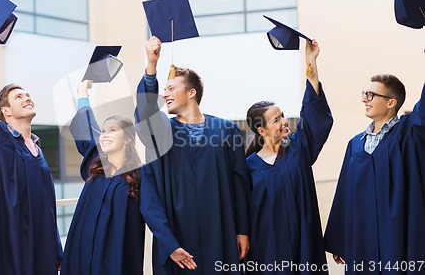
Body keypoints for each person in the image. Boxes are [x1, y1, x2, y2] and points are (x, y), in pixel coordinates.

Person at [135, 36, 250, 274]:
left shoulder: (227, 130)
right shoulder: (162, 131)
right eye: (163, 89)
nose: (165, 94)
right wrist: (151, 66)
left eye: (171, 88)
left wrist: (242, 230)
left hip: (220, 233)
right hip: (178, 240)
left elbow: (239, 184)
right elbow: (150, 198)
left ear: (191, 92)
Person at [0, 24, 62, 275]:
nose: (27, 98)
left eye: (28, 94)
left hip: (40, 248)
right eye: (19, 97)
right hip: (9, 246)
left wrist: (57, 250)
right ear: (5, 111)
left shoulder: (37, 149)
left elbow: (49, 208)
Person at [244, 40, 333, 274]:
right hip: (268, 253)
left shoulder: (298, 149)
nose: (284, 121)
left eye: (283, 115)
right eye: (276, 119)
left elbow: (314, 116)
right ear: (261, 131)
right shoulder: (248, 168)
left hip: (305, 247)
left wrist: (311, 64)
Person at [324, 74, 425, 274]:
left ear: (391, 102)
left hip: (397, 232)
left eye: (371, 95)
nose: (364, 99)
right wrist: (341, 239)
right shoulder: (355, 144)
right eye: (365, 94)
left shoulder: (408, 133)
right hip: (361, 236)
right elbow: (344, 192)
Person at [60, 80, 145, 275]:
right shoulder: (97, 165)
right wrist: (82, 93)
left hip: (117, 258)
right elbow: (87, 128)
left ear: (128, 139)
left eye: (112, 131)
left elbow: (156, 213)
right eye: (104, 131)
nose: (104, 135)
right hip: (81, 253)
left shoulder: (141, 175)